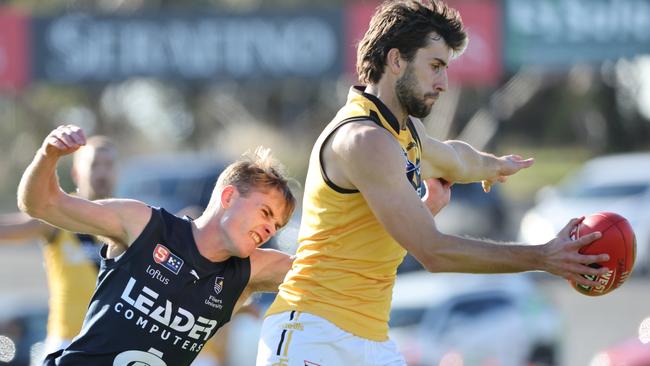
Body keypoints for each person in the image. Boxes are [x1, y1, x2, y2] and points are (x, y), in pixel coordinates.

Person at [256, 1, 609, 365]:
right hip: (311, 333)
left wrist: (493, 167)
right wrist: (542, 256)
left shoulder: (405, 134)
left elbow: (455, 158)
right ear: (396, 61)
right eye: (435, 66)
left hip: (370, 340)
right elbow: (433, 251)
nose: (443, 82)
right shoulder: (364, 139)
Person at [18, 124, 297, 366]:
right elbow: (40, 203)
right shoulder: (144, 225)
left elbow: (328, 267)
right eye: (265, 213)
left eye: (277, 225)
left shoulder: (252, 271)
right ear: (228, 197)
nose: (270, 228)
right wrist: (48, 154)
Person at [0, 135, 116, 357]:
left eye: (108, 165)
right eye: (94, 165)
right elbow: (8, 230)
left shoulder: (128, 220)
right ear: (76, 173)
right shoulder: (57, 215)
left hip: (109, 346)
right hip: (65, 343)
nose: (101, 173)